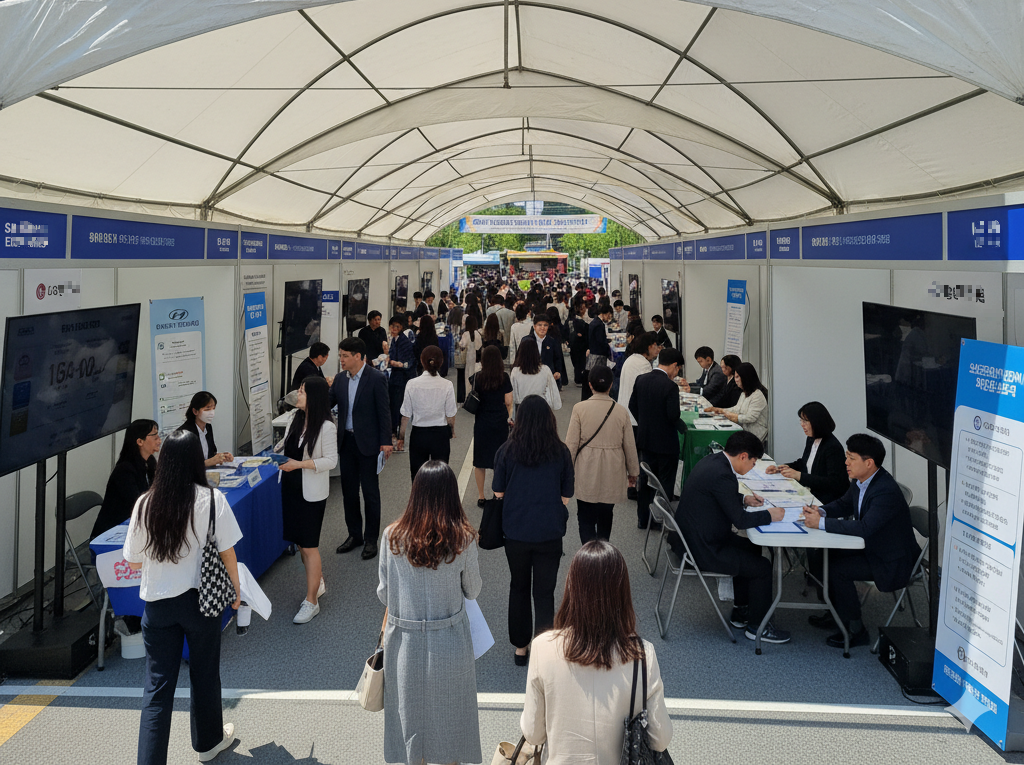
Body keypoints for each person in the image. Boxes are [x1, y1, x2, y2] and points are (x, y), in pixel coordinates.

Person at [122, 430, 241, 765]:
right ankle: (208, 744)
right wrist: (235, 590)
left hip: (158, 605)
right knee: (205, 674)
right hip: (202, 602)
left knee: (157, 690)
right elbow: (228, 552)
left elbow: (133, 561)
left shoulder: (145, 503)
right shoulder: (212, 500)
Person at [521, 541, 672, 762]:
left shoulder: (542, 647)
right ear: (622, 592)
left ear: (572, 587)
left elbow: (534, 733)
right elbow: (660, 739)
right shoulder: (642, 654)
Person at [377, 461, 482, 765]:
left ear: (416, 493)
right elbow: (473, 590)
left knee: (410, 719)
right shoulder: (463, 539)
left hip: (404, 642)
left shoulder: (392, 536)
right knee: (451, 720)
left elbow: (384, 593)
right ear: (451, 495)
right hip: (449, 639)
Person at [800, 434, 920, 648]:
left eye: (851, 458)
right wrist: (821, 511)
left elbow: (865, 528)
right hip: (872, 546)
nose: (846, 462)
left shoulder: (885, 492)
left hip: (889, 559)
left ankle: (856, 630)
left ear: (869, 463)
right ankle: (837, 613)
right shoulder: (861, 480)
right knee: (823, 554)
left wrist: (821, 523)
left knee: (838, 570)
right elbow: (845, 504)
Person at [671, 430, 791, 644]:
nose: (753, 467)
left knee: (752, 547)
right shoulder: (724, 475)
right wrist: (770, 515)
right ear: (743, 456)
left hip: (693, 539)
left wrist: (744, 499)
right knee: (762, 568)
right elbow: (741, 521)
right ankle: (758, 628)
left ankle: (741, 610)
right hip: (703, 549)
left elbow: (718, 494)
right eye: (753, 462)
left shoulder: (714, 461)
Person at [493, 395, 574, 664]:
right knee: (544, 592)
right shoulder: (561, 451)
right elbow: (566, 495)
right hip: (550, 531)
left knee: (518, 586)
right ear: (549, 420)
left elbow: (498, 492)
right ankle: (544, 651)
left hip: (515, 531)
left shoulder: (506, 450)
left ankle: (520, 648)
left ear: (520, 420)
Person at [277, 376, 338, 624]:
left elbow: (331, 461)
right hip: (291, 487)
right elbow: (285, 445)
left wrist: (299, 465)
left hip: (311, 492)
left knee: (310, 545)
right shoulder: (295, 417)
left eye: (302, 391)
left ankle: (311, 601)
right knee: (301, 544)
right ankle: (317, 581)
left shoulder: (326, 427)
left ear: (314, 396)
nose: (298, 394)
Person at [329, 337, 393, 561]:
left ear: (358, 356)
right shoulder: (340, 379)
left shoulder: (376, 378)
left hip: (368, 444)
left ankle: (371, 539)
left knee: (370, 493)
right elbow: (327, 403)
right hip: (346, 443)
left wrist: (386, 440)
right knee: (349, 493)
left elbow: (384, 411)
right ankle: (354, 535)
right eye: (340, 355)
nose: (341, 360)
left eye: (345, 356)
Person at [566, 367, 639, 544]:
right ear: (611, 385)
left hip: (586, 467)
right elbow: (629, 445)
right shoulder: (621, 411)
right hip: (612, 469)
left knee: (585, 514)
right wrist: (633, 472)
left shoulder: (579, 409)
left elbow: (571, 445)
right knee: (606, 514)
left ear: (590, 385)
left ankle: (588, 553)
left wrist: (565, 473)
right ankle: (603, 551)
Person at [628, 348, 685, 529]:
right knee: (665, 483)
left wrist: (645, 423)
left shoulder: (641, 379)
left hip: (645, 439)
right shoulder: (670, 386)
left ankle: (642, 519)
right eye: (678, 369)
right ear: (675, 366)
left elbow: (632, 405)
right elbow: (673, 415)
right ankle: (661, 520)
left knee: (646, 481)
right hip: (666, 443)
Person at [766, 401, 848, 504]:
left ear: (817, 422)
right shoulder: (811, 439)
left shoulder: (832, 447)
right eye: (801, 420)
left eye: (805, 421)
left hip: (827, 499)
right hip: (811, 492)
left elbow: (833, 483)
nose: (802, 425)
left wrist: (799, 476)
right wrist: (783, 467)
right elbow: (805, 462)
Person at [91, 419, 161, 540]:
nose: (159, 440)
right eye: (155, 437)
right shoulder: (125, 470)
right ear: (140, 441)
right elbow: (137, 504)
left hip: (135, 525)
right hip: (113, 532)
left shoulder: (150, 462)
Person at [398, 346, 457, 480]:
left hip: (419, 435)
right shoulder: (447, 385)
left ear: (422, 361)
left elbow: (406, 415)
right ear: (441, 362)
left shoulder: (412, 384)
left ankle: (419, 495)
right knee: (441, 477)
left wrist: (401, 437)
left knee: (418, 477)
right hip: (440, 435)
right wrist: (452, 431)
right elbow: (450, 414)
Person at [472, 345, 514, 507]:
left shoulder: (478, 377)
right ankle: (498, 494)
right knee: (500, 460)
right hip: (499, 422)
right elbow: (508, 401)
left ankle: (481, 496)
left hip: (482, 422)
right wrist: (509, 416)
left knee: (480, 461)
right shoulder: (504, 377)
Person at [706, 362, 769, 443]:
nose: (735, 380)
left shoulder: (757, 395)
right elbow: (737, 409)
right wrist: (720, 410)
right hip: (745, 431)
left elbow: (750, 417)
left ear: (745, 377)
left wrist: (732, 416)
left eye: (737, 377)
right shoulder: (744, 393)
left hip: (756, 435)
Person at [177, 391, 233, 468]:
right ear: (195, 411)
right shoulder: (185, 433)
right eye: (207, 409)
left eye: (213, 409)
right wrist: (208, 462)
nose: (211, 413)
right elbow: (184, 464)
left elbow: (211, 454)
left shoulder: (208, 427)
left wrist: (222, 457)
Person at [386, 315, 417, 448]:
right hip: (395, 378)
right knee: (394, 406)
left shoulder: (404, 341)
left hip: (401, 379)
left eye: (396, 327)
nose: (393, 329)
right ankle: (395, 434)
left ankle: (397, 435)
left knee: (397, 407)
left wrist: (394, 363)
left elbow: (408, 362)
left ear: (402, 327)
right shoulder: (394, 339)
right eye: (392, 326)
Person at [511, 339, 561, 414]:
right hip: (541, 407)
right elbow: (551, 392)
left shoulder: (515, 371)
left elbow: (513, 395)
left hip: (523, 408)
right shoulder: (545, 369)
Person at [583, 304, 614, 401]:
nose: (609, 318)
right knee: (596, 377)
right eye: (609, 316)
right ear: (606, 314)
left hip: (593, 354)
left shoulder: (594, 322)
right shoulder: (599, 325)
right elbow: (601, 342)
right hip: (598, 356)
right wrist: (609, 351)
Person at [529, 313, 566, 389]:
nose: (542, 328)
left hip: (548, 378)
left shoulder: (552, 342)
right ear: (534, 326)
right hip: (531, 377)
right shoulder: (527, 341)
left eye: (545, 325)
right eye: (539, 325)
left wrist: (557, 372)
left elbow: (557, 358)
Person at [568, 300, 590, 387]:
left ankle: (578, 379)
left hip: (574, 344)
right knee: (580, 362)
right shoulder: (580, 322)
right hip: (580, 345)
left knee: (577, 363)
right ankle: (579, 379)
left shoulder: (572, 320)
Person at [459, 314, 483, 386]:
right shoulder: (478, 334)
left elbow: (462, 345)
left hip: (469, 356)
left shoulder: (465, 334)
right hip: (477, 358)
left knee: (468, 375)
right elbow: (480, 346)